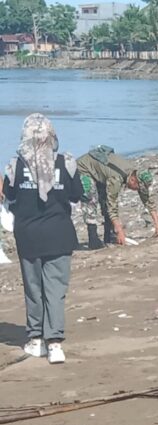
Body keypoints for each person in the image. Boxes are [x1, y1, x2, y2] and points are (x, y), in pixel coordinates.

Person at [4, 114, 82, 364]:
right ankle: (55, 343)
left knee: (34, 290)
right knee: (55, 290)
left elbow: (10, 198)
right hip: (59, 234)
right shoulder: (67, 163)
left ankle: (36, 340)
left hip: (28, 236)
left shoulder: (15, 166)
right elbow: (76, 196)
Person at [77, 146, 158, 248]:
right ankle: (93, 238)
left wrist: (157, 223)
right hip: (84, 169)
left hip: (101, 172)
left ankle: (109, 235)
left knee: (105, 199)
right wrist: (120, 231)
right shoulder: (116, 179)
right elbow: (112, 205)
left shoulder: (134, 173)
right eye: (137, 187)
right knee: (90, 198)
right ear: (132, 180)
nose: (137, 190)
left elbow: (146, 198)